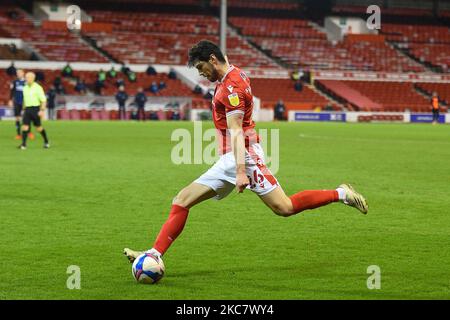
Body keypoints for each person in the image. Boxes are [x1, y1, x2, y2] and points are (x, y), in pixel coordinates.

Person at [123, 40, 368, 268]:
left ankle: (341, 193)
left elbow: (237, 130)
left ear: (212, 59)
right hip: (232, 157)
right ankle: (154, 254)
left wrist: (241, 171)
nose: (200, 73)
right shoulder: (232, 74)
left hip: (243, 157)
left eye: (201, 67)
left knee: (284, 207)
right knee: (183, 200)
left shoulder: (232, 88)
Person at [19, 72, 50, 150]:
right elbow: (24, 100)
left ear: (33, 78)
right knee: (25, 127)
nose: (26, 79)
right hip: (27, 109)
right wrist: (23, 109)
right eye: (26, 77)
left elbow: (43, 100)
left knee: (38, 128)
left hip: (35, 109)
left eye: (28, 77)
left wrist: (42, 110)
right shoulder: (25, 87)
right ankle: (23, 144)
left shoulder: (38, 88)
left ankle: (46, 141)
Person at [9, 69, 27, 139]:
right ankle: (18, 134)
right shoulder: (14, 82)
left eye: (19, 73)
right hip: (17, 101)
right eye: (17, 73)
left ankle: (28, 132)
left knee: (27, 118)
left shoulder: (26, 82)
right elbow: (12, 91)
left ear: (23, 73)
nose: (18, 74)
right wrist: (10, 100)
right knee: (17, 118)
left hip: (25, 102)